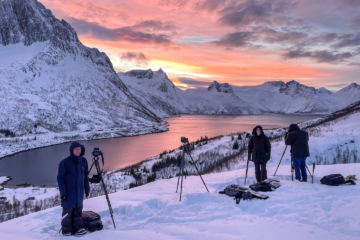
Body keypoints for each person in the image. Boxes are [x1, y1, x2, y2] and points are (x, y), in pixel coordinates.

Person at [57, 142, 90, 236]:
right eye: (76, 149)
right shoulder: (65, 162)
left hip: (79, 192)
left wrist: (87, 189)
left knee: (78, 211)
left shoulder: (83, 161)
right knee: (68, 211)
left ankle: (77, 228)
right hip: (69, 192)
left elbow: (86, 176)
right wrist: (63, 193)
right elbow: (60, 178)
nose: (78, 151)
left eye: (79, 149)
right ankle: (66, 230)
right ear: (72, 150)